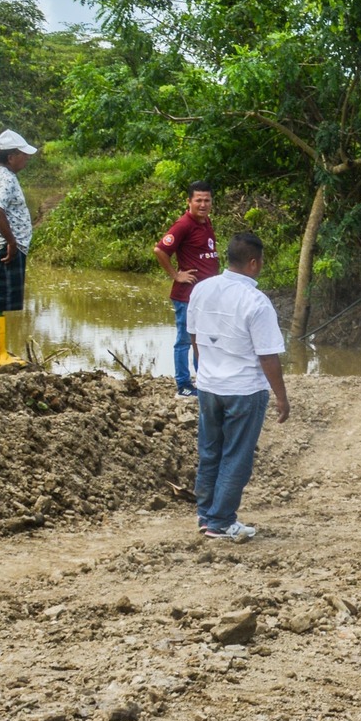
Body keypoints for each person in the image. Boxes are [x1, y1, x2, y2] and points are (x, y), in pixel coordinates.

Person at [185, 231, 290, 542]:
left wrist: (205, 369)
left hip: (208, 386)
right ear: (254, 263)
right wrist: (281, 397)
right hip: (244, 390)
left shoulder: (202, 289)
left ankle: (206, 515)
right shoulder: (256, 302)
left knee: (210, 451)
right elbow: (267, 356)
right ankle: (220, 522)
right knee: (236, 456)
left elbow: (194, 337)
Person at [154, 181, 219, 400]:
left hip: (207, 295)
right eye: (198, 200)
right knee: (184, 340)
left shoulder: (206, 221)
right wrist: (176, 275)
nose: (203, 204)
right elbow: (160, 250)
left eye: (207, 200)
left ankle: (204, 380)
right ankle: (183, 385)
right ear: (189, 201)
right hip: (187, 295)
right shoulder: (183, 224)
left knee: (204, 339)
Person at [0, 129, 37, 366]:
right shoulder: (6, 178)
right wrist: (11, 241)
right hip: (4, 246)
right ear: (11, 157)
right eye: (23, 154)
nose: (27, 158)